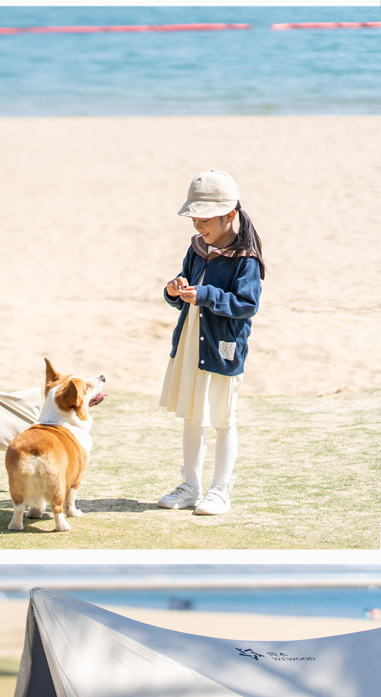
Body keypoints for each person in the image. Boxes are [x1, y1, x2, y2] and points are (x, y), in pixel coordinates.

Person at [157, 169, 264, 516]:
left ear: (229, 214)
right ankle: (191, 486)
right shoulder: (198, 249)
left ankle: (220, 490)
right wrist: (174, 290)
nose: (197, 227)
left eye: (204, 219)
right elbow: (183, 291)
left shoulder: (245, 258)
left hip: (223, 348)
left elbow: (247, 304)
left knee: (222, 418)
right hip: (191, 342)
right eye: (194, 219)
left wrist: (205, 294)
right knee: (192, 414)